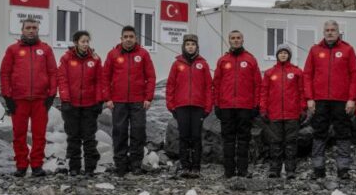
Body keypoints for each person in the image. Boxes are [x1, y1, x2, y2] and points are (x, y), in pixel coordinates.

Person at [0, 17, 58, 178]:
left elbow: (53, 72)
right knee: (19, 135)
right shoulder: (13, 50)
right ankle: (21, 165)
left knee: (39, 135)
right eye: (28, 27)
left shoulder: (46, 50)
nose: (31, 30)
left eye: (34, 27)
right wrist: (7, 96)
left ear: (38, 30)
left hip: (40, 100)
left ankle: (37, 165)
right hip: (19, 100)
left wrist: (52, 94)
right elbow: (5, 73)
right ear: (22, 30)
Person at [304, 20, 356, 180]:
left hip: (341, 100)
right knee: (319, 133)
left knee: (343, 133)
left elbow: (354, 75)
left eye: (333, 30)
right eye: (327, 30)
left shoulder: (347, 50)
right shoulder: (315, 50)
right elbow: (307, 75)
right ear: (323, 32)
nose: (330, 32)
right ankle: (318, 168)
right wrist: (309, 98)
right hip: (320, 100)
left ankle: (343, 168)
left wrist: (351, 99)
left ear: (338, 32)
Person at [102, 25, 156, 177]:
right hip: (118, 101)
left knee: (138, 132)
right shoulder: (113, 54)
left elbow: (151, 77)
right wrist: (108, 98)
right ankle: (120, 164)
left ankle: (136, 164)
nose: (128, 39)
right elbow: (105, 77)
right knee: (119, 132)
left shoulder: (143, 54)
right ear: (121, 38)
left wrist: (148, 97)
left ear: (136, 38)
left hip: (138, 101)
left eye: (131, 37)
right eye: (125, 37)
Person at [212, 30, 262, 178]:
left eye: (238, 38)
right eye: (233, 38)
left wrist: (256, 105)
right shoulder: (223, 61)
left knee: (243, 139)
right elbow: (216, 84)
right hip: (226, 106)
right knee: (227, 139)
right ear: (229, 40)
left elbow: (257, 84)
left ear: (242, 40)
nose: (235, 40)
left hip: (245, 107)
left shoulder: (251, 60)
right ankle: (228, 171)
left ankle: (242, 170)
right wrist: (217, 104)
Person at [165, 34, 212, 178]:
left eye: (193, 44)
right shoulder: (177, 64)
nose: (190, 46)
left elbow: (208, 87)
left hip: (198, 107)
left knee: (196, 137)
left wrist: (207, 107)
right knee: (184, 136)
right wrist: (171, 105)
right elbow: (170, 86)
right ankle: (185, 166)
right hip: (181, 106)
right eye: (188, 44)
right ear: (183, 47)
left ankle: (196, 167)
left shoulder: (203, 64)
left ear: (197, 47)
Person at [57, 30, 103, 177]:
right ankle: (74, 167)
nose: (85, 44)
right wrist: (65, 100)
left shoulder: (95, 59)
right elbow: (63, 80)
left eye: (87, 41)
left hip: (90, 105)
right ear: (76, 42)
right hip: (72, 105)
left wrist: (98, 100)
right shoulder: (66, 59)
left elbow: (99, 81)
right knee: (73, 137)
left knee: (89, 137)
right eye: (83, 41)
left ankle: (90, 168)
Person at [260, 43, 305, 179]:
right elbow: (264, 92)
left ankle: (290, 170)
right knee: (275, 143)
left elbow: (302, 92)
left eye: (285, 53)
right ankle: (275, 169)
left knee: (291, 143)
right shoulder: (269, 73)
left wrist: (302, 109)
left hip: (292, 114)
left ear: (289, 55)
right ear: (277, 55)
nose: (283, 55)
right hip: (274, 114)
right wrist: (263, 109)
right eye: (280, 53)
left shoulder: (297, 72)